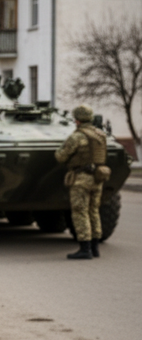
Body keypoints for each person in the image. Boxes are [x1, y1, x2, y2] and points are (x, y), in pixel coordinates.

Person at [55, 104, 109, 259]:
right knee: (93, 211)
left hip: (81, 179)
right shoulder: (100, 134)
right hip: (98, 177)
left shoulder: (77, 136)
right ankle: (95, 248)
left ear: (77, 120)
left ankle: (85, 249)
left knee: (80, 212)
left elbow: (61, 157)